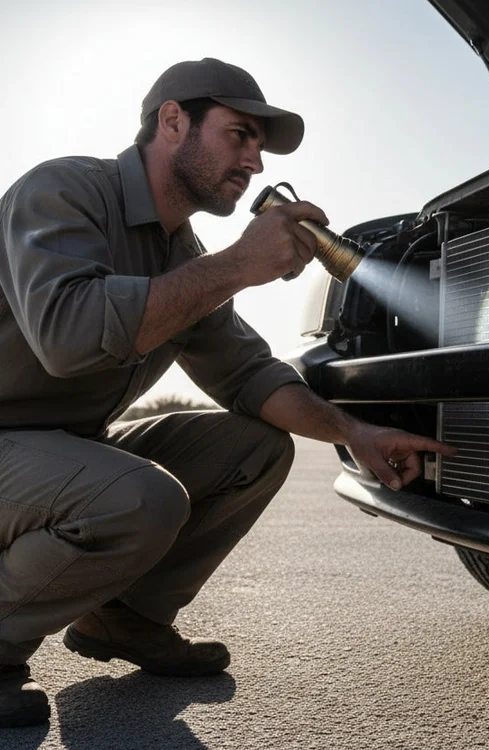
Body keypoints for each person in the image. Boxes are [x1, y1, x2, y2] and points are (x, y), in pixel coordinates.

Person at [0, 58, 456, 728]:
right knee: (139, 497)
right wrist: (240, 264)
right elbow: (69, 336)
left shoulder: (184, 253)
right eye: (240, 135)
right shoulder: (63, 191)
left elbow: (248, 375)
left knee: (258, 446)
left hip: (58, 456)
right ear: (173, 121)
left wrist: (354, 432)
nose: (255, 162)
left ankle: (125, 620)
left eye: (259, 147)